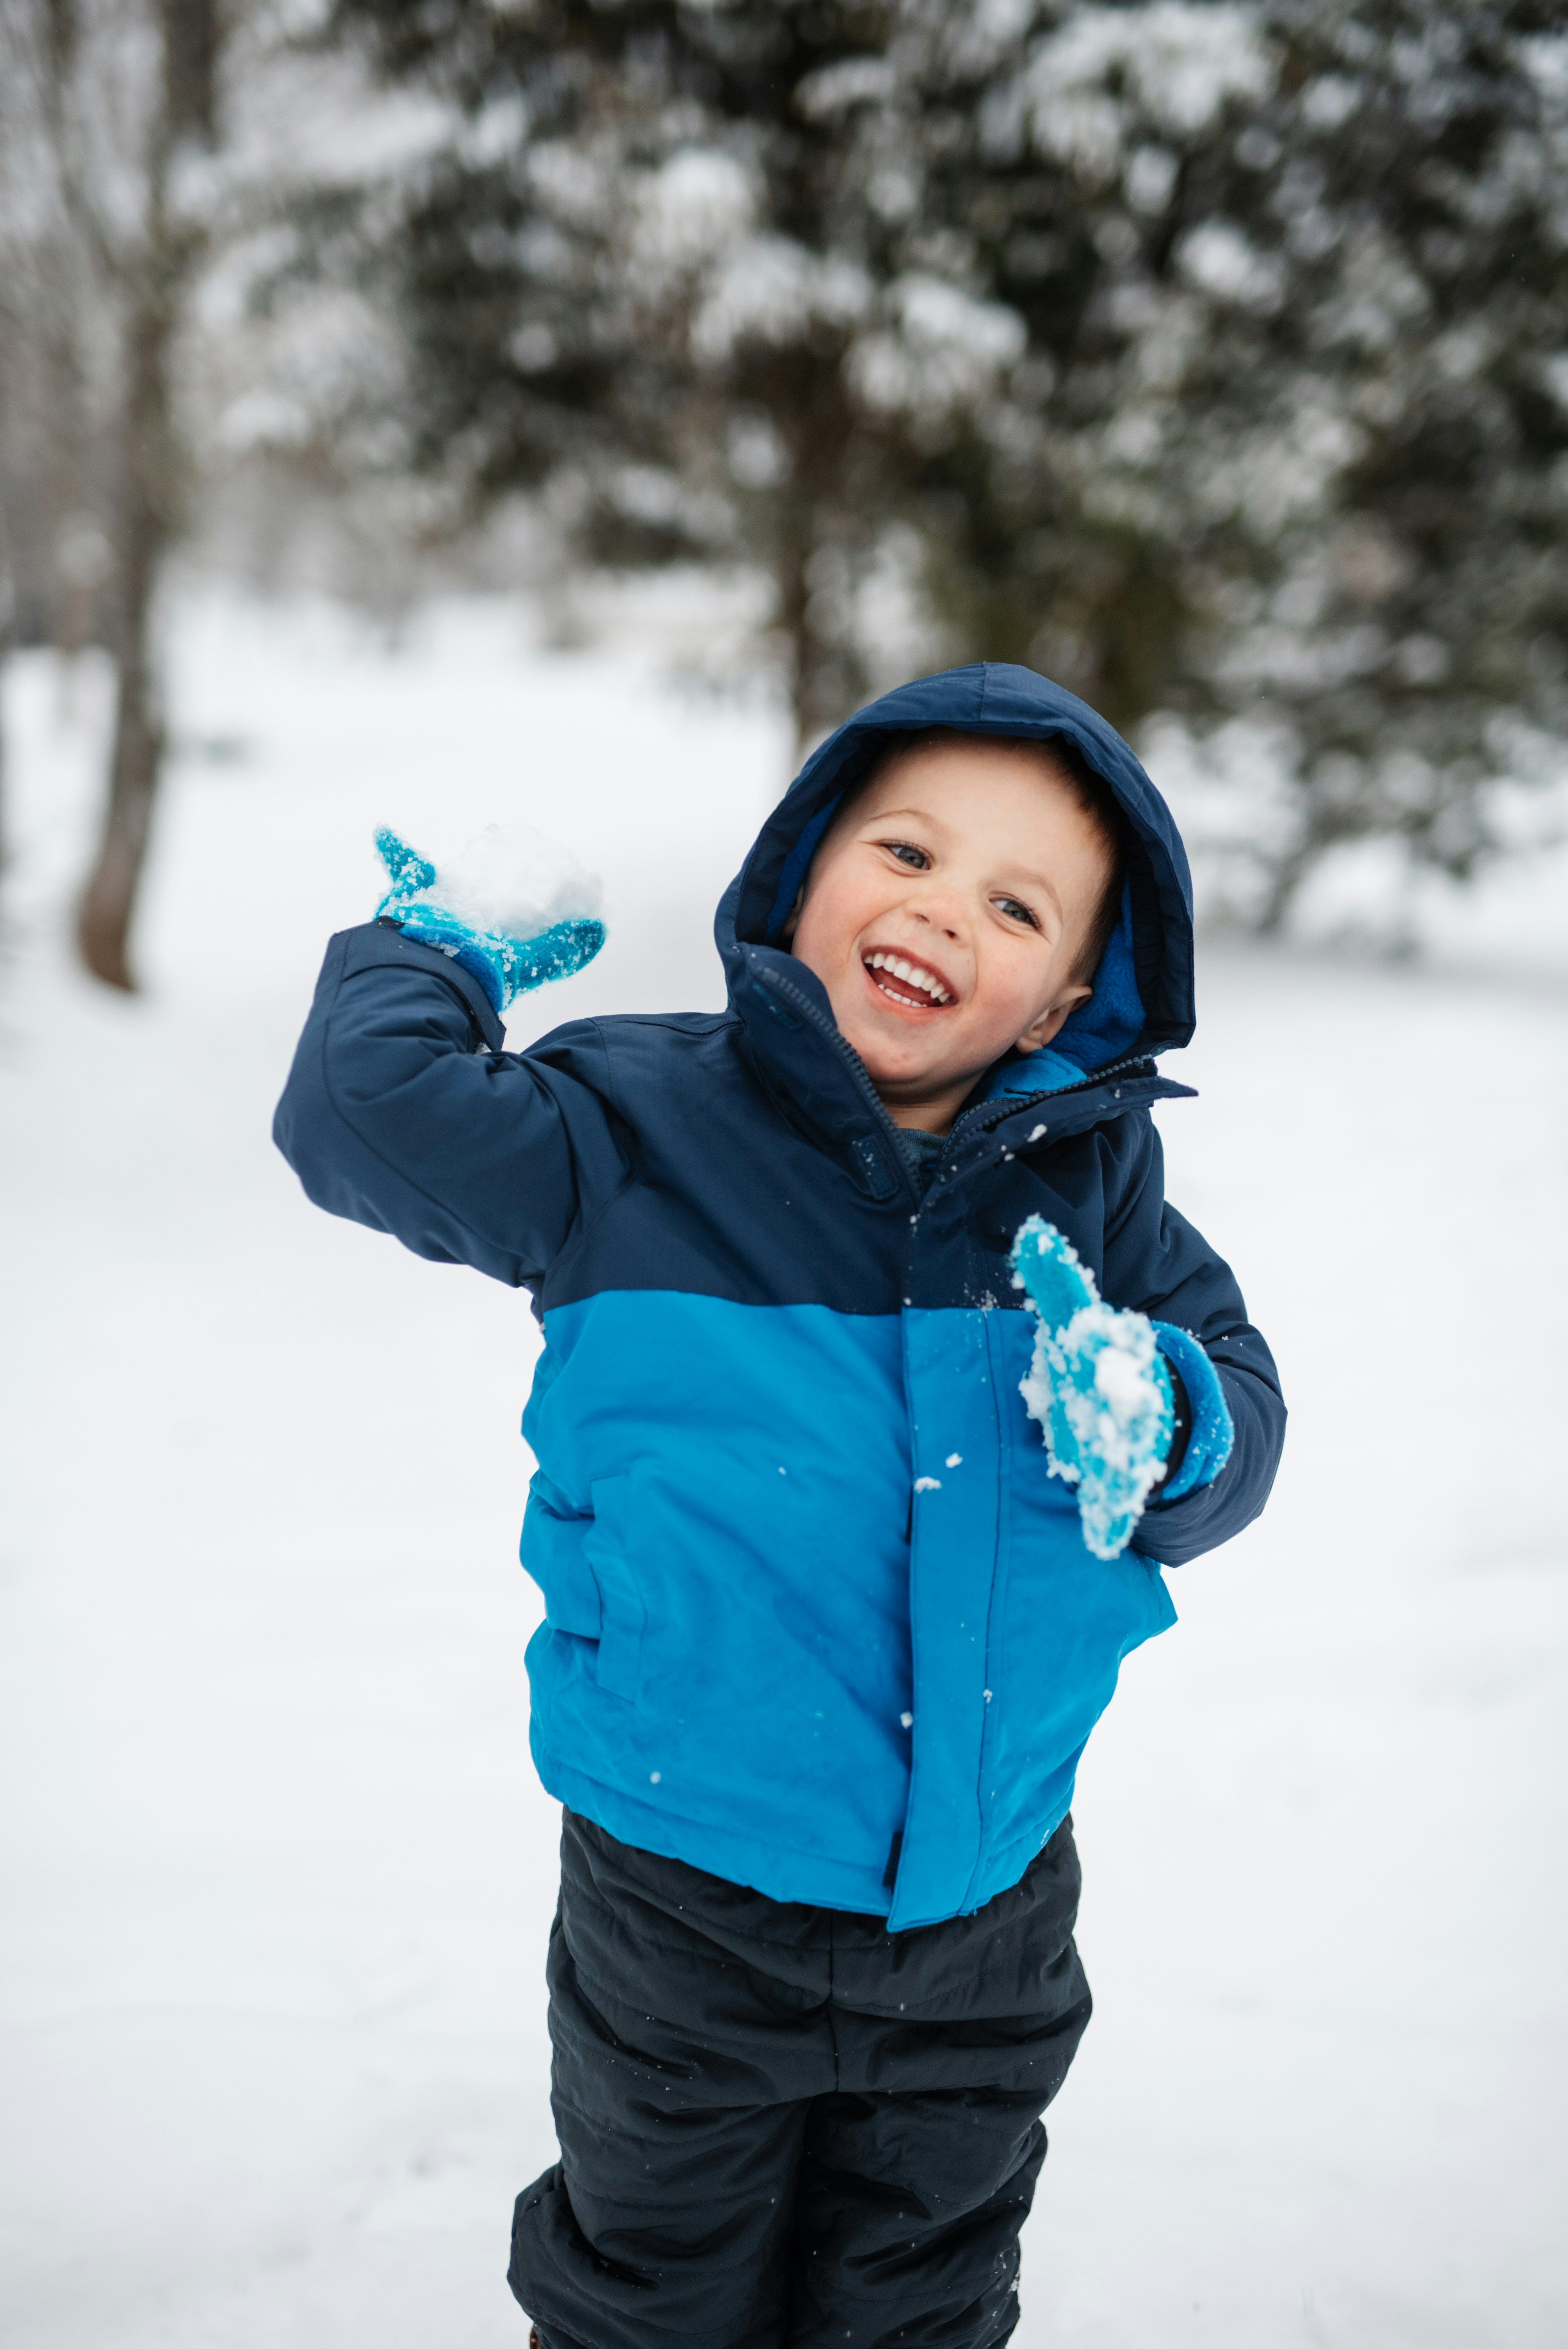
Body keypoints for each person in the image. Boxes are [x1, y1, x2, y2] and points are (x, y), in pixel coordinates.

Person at [274, 661, 1285, 2348]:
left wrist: (1167, 1419)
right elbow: (359, 1117)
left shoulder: (1092, 1196)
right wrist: (436, 951)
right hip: (684, 1893)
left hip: (983, 1905)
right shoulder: (631, 1132)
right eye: (902, 852)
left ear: (1056, 1006)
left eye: (1013, 903)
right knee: (650, 2294)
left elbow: (1238, 1401)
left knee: (922, 2297)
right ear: (804, 865)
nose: (939, 912)